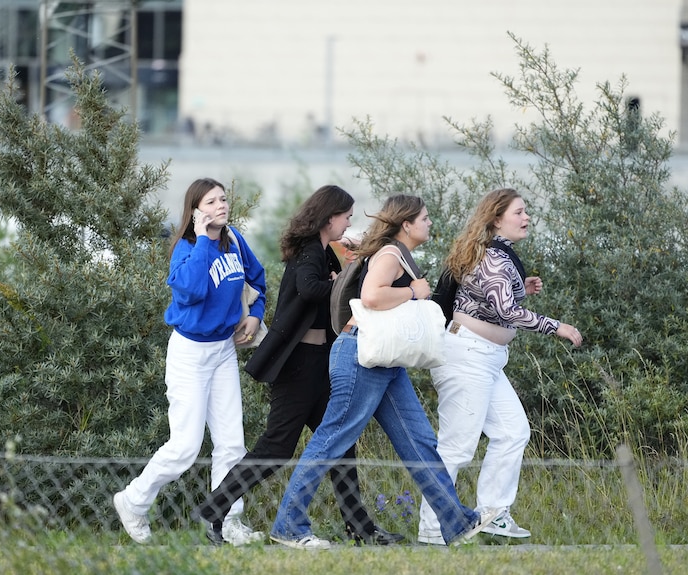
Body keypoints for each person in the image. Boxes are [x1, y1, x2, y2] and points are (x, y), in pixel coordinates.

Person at [269, 194, 501, 549]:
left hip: (385, 361)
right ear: (406, 224)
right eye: (424, 218)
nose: (429, 223)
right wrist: (412, 291)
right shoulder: (392, 254)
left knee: (419, 440)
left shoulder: (394, 253)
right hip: (361, 356)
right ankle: (288, 524)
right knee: (331, 439)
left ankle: (456, 521)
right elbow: (371, 296)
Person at [191, 185, 403, 546]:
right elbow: (308, 289)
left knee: (340, 446)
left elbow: (334, 289)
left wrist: (349, 266)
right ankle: (213, 510)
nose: (348, 221)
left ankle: (360, 528)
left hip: (319, 364)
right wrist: (337, 284)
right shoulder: (309, 252)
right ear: (329, 217)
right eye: (346, 216)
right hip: (297, 367)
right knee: (276, 447)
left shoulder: (324, 252)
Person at [417, 187, 583, 545]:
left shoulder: (498, 256)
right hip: (467, 356)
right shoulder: (494, 257)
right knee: (457, 447)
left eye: (526, 212)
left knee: (513, 432)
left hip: (486, 359)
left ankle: (492, 515)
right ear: (496, 219)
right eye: (519, 212)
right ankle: (432, 529)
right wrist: (558, 327)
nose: (526, 218)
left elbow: (489, 297)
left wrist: (521, 286)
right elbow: (506, 312)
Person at [113, 178, 267, 546]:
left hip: (223, 351)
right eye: (211, 202)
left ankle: (227, 521)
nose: (221, 206)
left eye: (223, 199)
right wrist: (204, 241)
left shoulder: (236, 241)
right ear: (195, 211)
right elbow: (193, 291)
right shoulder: (186, 249)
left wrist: (255, 315)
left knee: (232, 444)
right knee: (184, 447)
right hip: (190, 354)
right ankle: (133, 501)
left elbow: (257, 281)